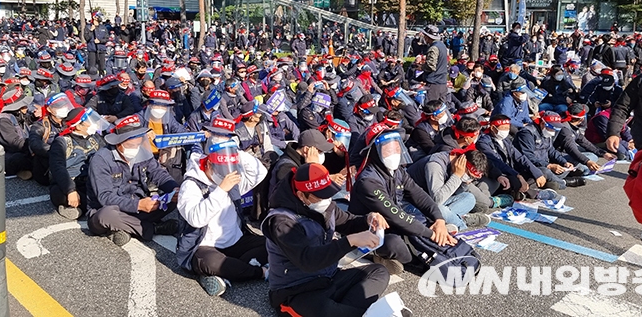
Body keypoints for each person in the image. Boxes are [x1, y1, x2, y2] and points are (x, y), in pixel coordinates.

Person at [263, 162, 391, 317]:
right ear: (301, 195)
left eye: (328, 193)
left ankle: (346, 311)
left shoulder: (324, 205)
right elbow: (307, 260)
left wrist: (368, 219)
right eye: (320, 196)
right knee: (326, 310)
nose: (327, 199)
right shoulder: (282, 222)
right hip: (296, 290)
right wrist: (349, 241)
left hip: (328, 278)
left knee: (379, 271)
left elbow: (347, 222)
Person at [349, 125, 456, 275]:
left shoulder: (398, 172)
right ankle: (376, 256)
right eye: (388, 149)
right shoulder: (368, 181)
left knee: (424, 226)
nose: (394, 153)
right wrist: (432, 235)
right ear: (375, 151)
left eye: (396, 148)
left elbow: (419, 195)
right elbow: (394, 214)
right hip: (370, 229)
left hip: (394, 222)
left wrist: (439, 220)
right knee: (397, 245)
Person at [177, 137, 269, 296]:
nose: (227, 176)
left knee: (272, 243)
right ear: (209, 164)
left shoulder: (231, 176)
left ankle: (229, 272)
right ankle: (257, 272)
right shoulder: (191, 184)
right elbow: (196, 219)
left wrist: (234, 151)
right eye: (222, 172)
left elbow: (260, 172)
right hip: (206, 246)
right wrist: (221, 190)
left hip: (235, 241)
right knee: (210, 262)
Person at [86, 114, 180, 246]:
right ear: (118, 143)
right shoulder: (101, 159)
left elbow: (158, 173)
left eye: (138, 144)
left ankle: (126, 228)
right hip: (112, 209)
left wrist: (174, 189)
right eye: (130, 145)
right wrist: (138, 205)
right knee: (106, 216)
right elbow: (105, 197)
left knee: (172, 199)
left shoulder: (141, 152)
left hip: (138, 203)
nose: (135, 149)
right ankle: (153, 228)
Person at [49, 107, 107, 220]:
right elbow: (58, 168)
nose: (94, 124)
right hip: (71, 182)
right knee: (60, 195)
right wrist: (70, 190)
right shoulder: (61, 142)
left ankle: (81, 209)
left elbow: (106, 156)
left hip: (92, 180)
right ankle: (78, 206)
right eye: (89, 122)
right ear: (79, 126)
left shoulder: (95, 138)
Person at [514, 111, 584, 190]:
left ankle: (551, 181)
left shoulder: (546, 132)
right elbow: (528, 156)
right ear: (543, 124)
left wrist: (564, 162)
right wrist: (549, 165)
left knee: (567, 165)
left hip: (545, 162)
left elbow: (551, 150)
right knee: (545, 171)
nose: (553, 132)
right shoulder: (527, 133)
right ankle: (563, 183)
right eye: (552, 128)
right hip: (529, 166)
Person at [0, 87, 35, 179]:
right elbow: (15, 142)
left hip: (14, 151)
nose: (27, 108)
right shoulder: (3, 121)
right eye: (24, 106)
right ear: (17, 107)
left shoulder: (17, 116)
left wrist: (34, 117)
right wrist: (35, 144)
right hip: (3, 157)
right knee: (25, 158)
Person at [422, 25, 448, 103]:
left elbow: (431, 66)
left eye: (425, 36)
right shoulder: (442, 45)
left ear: (428, 36)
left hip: (434, 83)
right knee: (441, 109)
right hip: (442, 82)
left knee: (431, 107)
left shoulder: (433, 48)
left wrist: (421, 67)